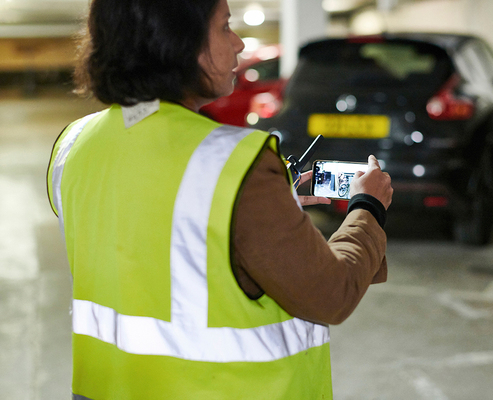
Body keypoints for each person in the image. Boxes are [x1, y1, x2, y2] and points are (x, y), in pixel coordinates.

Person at [46, 0, 393, 398]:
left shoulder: (75, 144)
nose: (240, 44)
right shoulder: (234, 162)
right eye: (225, 26)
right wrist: (367, 207)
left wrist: (267, 205)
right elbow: (332, 293)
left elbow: (147, 224)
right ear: (180, 41)